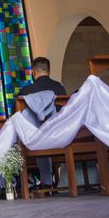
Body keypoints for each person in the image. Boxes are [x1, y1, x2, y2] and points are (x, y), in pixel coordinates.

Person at [18, 56, 66, 192]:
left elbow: (16, 117)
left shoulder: (26, 92)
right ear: (49, 71)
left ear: (33, 72)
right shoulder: (60, 89)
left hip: (35, 138)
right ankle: (47, 182)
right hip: (59, 135)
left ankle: (19, 183)